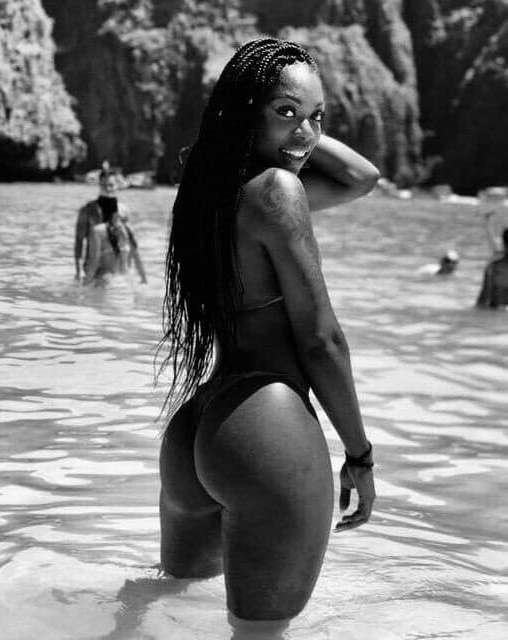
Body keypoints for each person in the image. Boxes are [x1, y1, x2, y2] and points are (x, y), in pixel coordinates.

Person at [158, 38, 379, 623]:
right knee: (261, 635)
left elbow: (362, 178)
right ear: (243, 111)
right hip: (264, 431)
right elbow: (321, 340)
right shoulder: (278, 192)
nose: (306, 133)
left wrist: (292, 129)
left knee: (162, 613)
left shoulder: (207, 194)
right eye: (285, 111)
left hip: (197, 430)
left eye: (318, 116)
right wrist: (360, 455)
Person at [74, 165, 147, 285]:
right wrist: (79, 271)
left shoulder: (123, 210)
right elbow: (79, 242)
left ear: (117, 186)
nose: (108, 189)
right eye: (104, 185)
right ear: (99, 185)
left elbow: (129, 242)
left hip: (116, 268)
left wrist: (130, 272)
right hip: (93, 269)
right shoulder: (86, 210)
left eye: (111, 185)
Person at [476, 226, 508, 308]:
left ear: (504, 244)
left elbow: (482, 301)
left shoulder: (493, 268)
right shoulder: (493, 268)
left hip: (496, 311)